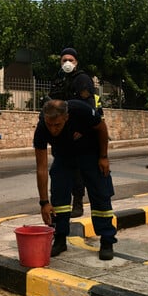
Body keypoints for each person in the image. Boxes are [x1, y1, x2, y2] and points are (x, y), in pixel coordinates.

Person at [33, 99, 117, 260]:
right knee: (59, 196)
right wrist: (44, 202)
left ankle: (107, 240)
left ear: (66, 117)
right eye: (50, 125)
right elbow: (41, 168)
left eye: (57, 125)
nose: (53, 130)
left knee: (101, 194)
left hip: (90, 153)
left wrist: (103, 157)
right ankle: (60, 238)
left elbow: (101, 128)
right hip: (64, 157)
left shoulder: (81, 110)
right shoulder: (42, 128)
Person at [48, 47, 96, 217]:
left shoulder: (82, 79)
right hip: (62, 133)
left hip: (78, 132)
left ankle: (78, 203)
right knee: (59, 169)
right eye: (64, 60)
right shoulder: (58, 79)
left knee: (77, 171)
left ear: (76, 62)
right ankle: (60, 204)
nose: (67, 63)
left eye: (71, 60)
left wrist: (82, 130)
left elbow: (90, 107)